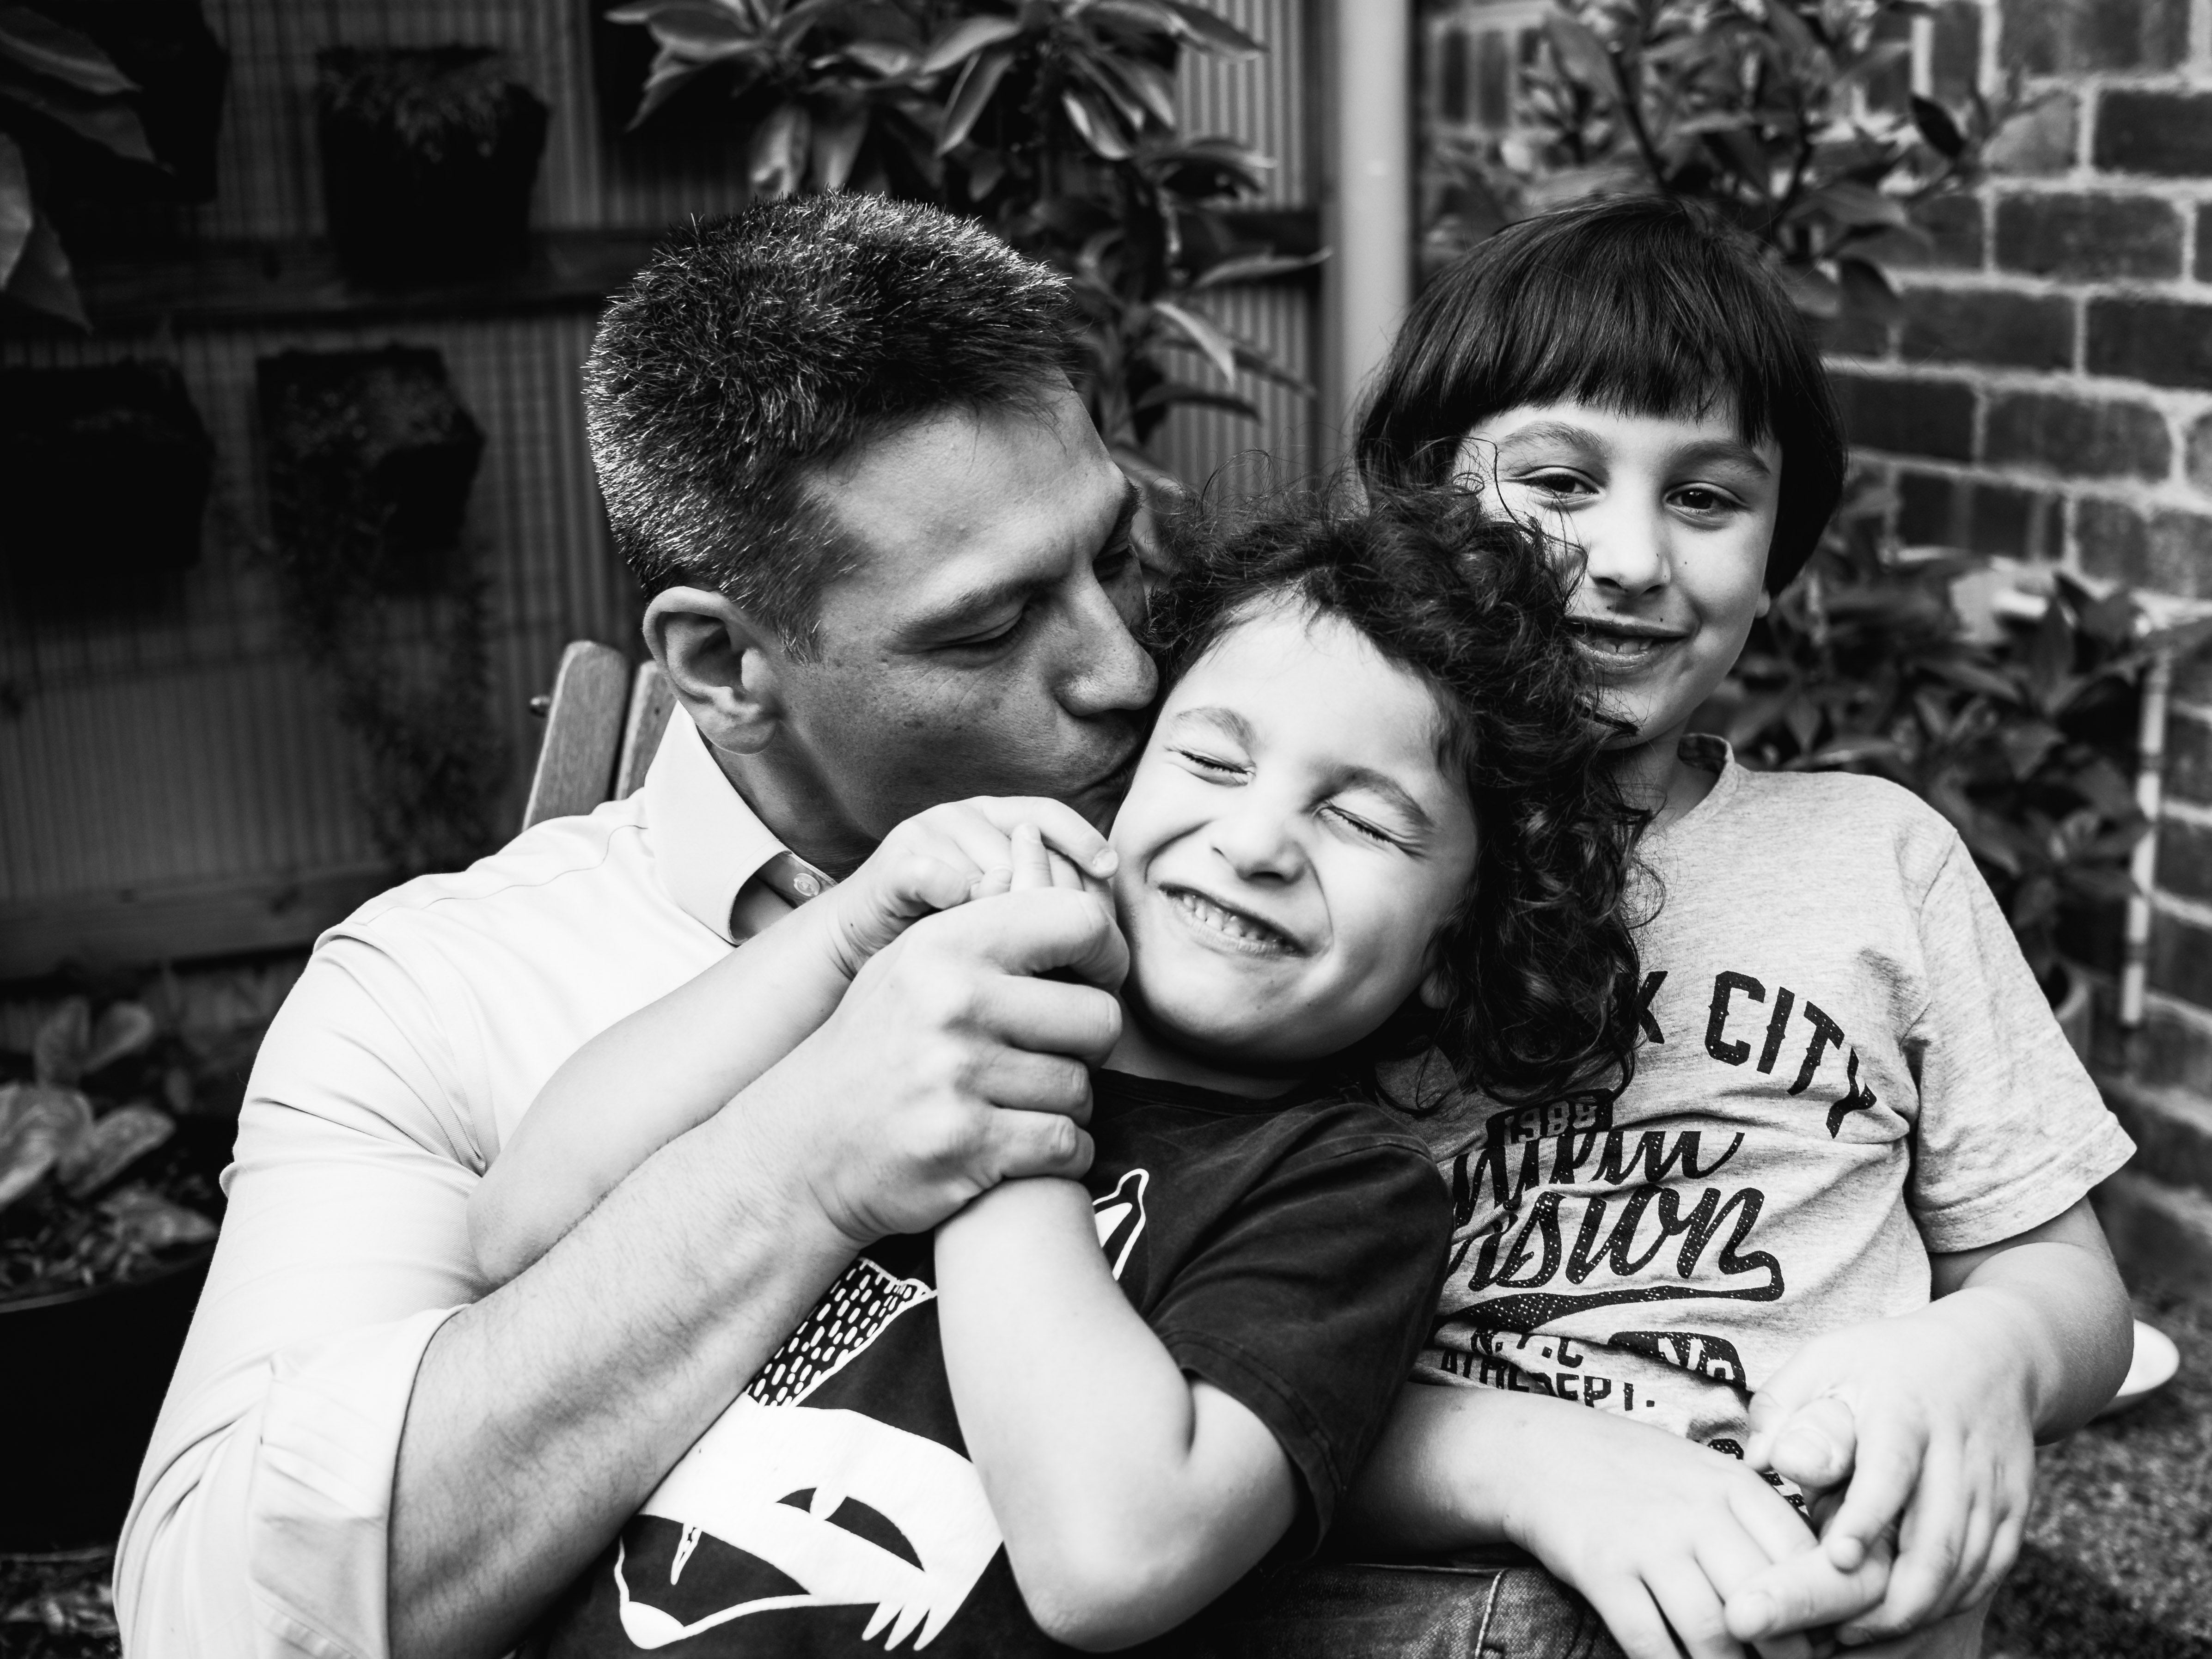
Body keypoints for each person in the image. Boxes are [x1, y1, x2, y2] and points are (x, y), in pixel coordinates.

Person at [121, 195, 1167, 1659]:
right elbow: (212, 1617)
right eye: (989, 629)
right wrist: (799, 1163)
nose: (1124, 670)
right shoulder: (436, 996)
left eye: (1115, 555)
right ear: (722, 663)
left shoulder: (1243, 841)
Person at [469, 490, 1646, 1655]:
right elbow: (523, 1220)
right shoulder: (886, 1011)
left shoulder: (1340, 1201)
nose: (1253, 843)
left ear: (1454, 946)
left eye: (1365, 823)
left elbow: (1111, 1560)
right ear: (1122, 787)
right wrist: (846, 935)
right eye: (1211, 762)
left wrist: (1009, 1087)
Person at [1323, 196, 2139, 1659]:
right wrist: (1527, 1465)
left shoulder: (1876, 856)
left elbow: (2065, 1280)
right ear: (1422, 502)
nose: (1632, 556)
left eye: (1706, 498)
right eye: (1560, 481)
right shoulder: (1324, 869)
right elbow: (1215, 1387)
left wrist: (1986, 1352)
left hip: (1825, 1598)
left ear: (1775, 558)